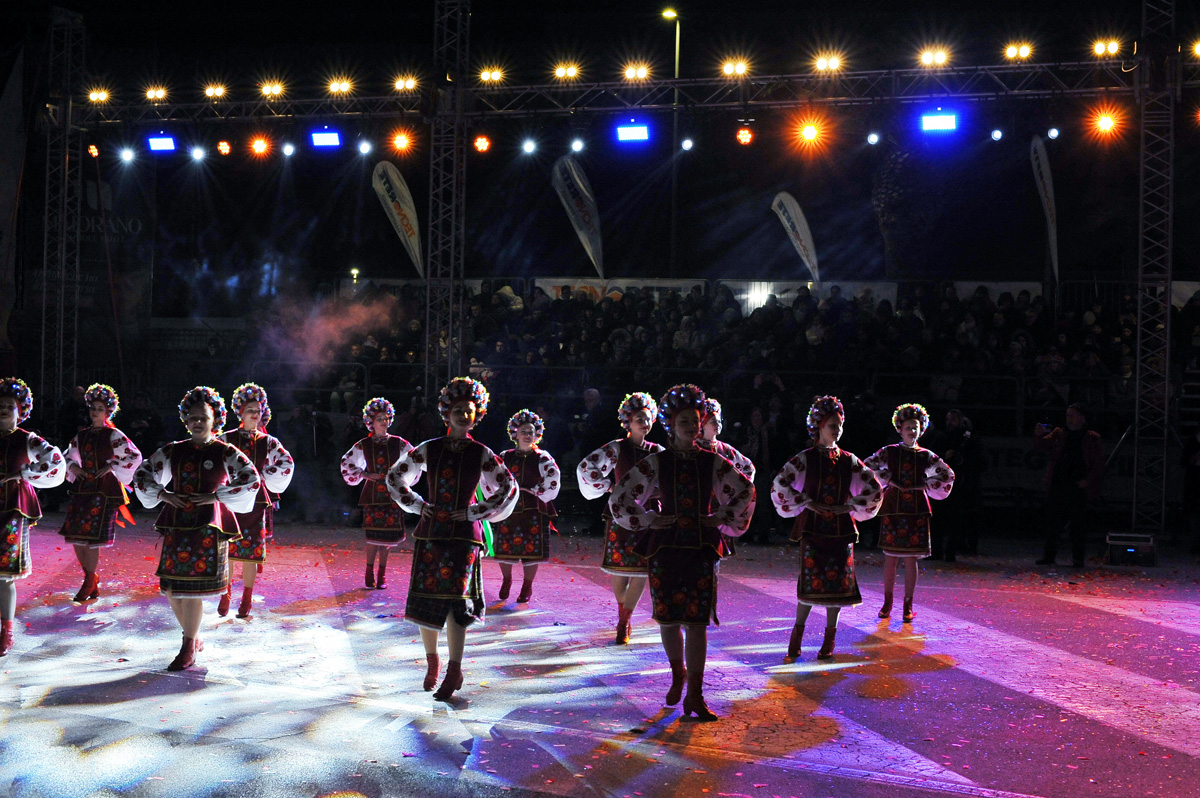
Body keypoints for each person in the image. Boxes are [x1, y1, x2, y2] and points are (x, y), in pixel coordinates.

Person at [609, 384, 755, 721]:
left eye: (695, 420)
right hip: (666, 546)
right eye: (684, 420)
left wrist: (721, 515)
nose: (691, 425)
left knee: (697, 621)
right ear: (671, 425)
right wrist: (648, 517)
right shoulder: (656, 462)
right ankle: (679, 673)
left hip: (701, 547)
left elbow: (745, 489)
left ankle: (695, 694)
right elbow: (621, 496)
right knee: (669, 618)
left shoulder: (713, 462)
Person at [386, 377, 517, 700]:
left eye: (469, 411)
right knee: (426, 597)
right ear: (447, 413)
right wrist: (417, 504)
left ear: (477, 415)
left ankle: (454, 669)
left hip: (464, 536)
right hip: (431, 532)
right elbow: (394, 476)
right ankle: (433, 661)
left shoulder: (481, 452)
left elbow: (508, 486)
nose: (463, 415)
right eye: (458, 410)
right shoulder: (430, 448)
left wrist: (476, 511)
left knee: (457, 602)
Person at [133, 387, 260, 671]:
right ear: (185, 420)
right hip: (177, 524)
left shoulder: (225, 451)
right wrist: (164, 494)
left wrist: (217, 496)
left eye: (203, 417)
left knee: (191, 590)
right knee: (171, 587)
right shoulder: (173, 450)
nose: (198, 422)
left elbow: (251, 478)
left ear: (215, 420)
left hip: (207, 526)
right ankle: (194, 637)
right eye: (192, 417)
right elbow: (142, 472)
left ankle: (187, 645)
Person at [771, 396, 883, 661]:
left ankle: (829, 640)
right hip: (813, 530)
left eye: (840, 425)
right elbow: (780, 483)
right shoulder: (805, 459)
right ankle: (796, 637)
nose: (837, 430)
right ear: (819, 427)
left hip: (841, 531)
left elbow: (874, 489)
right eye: (832, 425)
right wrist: (807, 502)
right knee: (810, 584)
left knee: (838, 586)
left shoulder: (849, 460)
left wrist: (849, 506)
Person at [576, 392, 665, 645]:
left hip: (648, 515)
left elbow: (669, 479)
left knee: (641, 570)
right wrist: (608, 486)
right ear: (629, 421)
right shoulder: (617, 447)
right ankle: (621, 610)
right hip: (621, 513)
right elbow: (587, 467)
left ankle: (625, 619)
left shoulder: (658, 451)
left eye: (647, 419)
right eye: (639, 419)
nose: (644, 423)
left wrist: (657, 492)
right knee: (620, 568)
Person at [863, 404, 955, 623]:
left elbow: (948, 475)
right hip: (894, 508)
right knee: (891, 557)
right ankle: (887, 602)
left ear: (921, 430)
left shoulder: (926, 455)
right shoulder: (890, 451)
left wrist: (924, 484)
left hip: (916, 510)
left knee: (911, 558)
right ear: (900, 429)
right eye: (908, 427)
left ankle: (908, 604)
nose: (912, 431)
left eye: (915, 427)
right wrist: (889, 479)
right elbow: (866, 466)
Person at [57, 383, 143, 603]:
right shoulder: (82, 435)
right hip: (82, 489)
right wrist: (73, 467)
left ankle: (88, 581)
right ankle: (91, 577)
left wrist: (112, 465)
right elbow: (66, 456)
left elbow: (134, 455)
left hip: (103, 490)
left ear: (107, 412)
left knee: (92, 538)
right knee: (76, 536)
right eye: (93, 408)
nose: (95, 412)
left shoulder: (113, 434)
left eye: (100, 409)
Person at [0, 378, 66, 655]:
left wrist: (24, 473)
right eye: (0, 405)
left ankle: (6, 631)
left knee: (4, 575)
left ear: (20, 411)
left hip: (12, 510)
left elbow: (55, 461)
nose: (4, 409)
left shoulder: (27, 439)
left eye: (9, 406)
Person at [218, 383, 295, 618]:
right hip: (231, 502)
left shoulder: (268, 441)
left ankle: (246, 599)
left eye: (258, 410)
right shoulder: (226, 438)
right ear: (240, 412)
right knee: (229, 550)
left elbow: (286, 462)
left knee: (250, 552)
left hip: (255, 504)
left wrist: (264, 475)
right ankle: (225, 594)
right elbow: (213, 464)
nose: (254, 414)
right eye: (250, 410)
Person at [340, 398, 412, 589]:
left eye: (386, 418)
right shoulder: (364, 444)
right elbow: (346, 462)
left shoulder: (399, 443)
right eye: (379, 419)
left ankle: (382, 574)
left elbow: (414, 461)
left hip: (392, 495)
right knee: (373, 538)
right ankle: (369, 571)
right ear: (371, 422)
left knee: (387, 539)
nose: (384, 422)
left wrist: (399, 477)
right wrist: (364, 474)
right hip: (372, 496)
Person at [493, 409, 561, 604]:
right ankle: (506, 580)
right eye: (523, 431)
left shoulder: (542, 457)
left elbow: (553, 478)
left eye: (531, 432)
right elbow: (494, 478)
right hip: (510, 509)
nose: (527, 435)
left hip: (533, 510)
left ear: (537, 434)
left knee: (532, 551)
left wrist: (536, 491)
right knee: (505, 547)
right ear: (515, 433)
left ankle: (527, 586)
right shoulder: (505, 456)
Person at [1034, 403, 1104, 568]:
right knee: (1053, 523)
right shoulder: (1059, 433)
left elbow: (1098, 464)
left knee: (1078, 525)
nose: (1069, 419)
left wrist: (1088, 480)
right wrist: (1038, 435)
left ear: (1082, 417)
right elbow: (1042, 446)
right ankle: (1049, 555)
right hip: (1059, 483)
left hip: (1078, 486)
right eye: (1067, 415)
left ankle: (1078, 558)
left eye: (1072, 415)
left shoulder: (1092, 437)